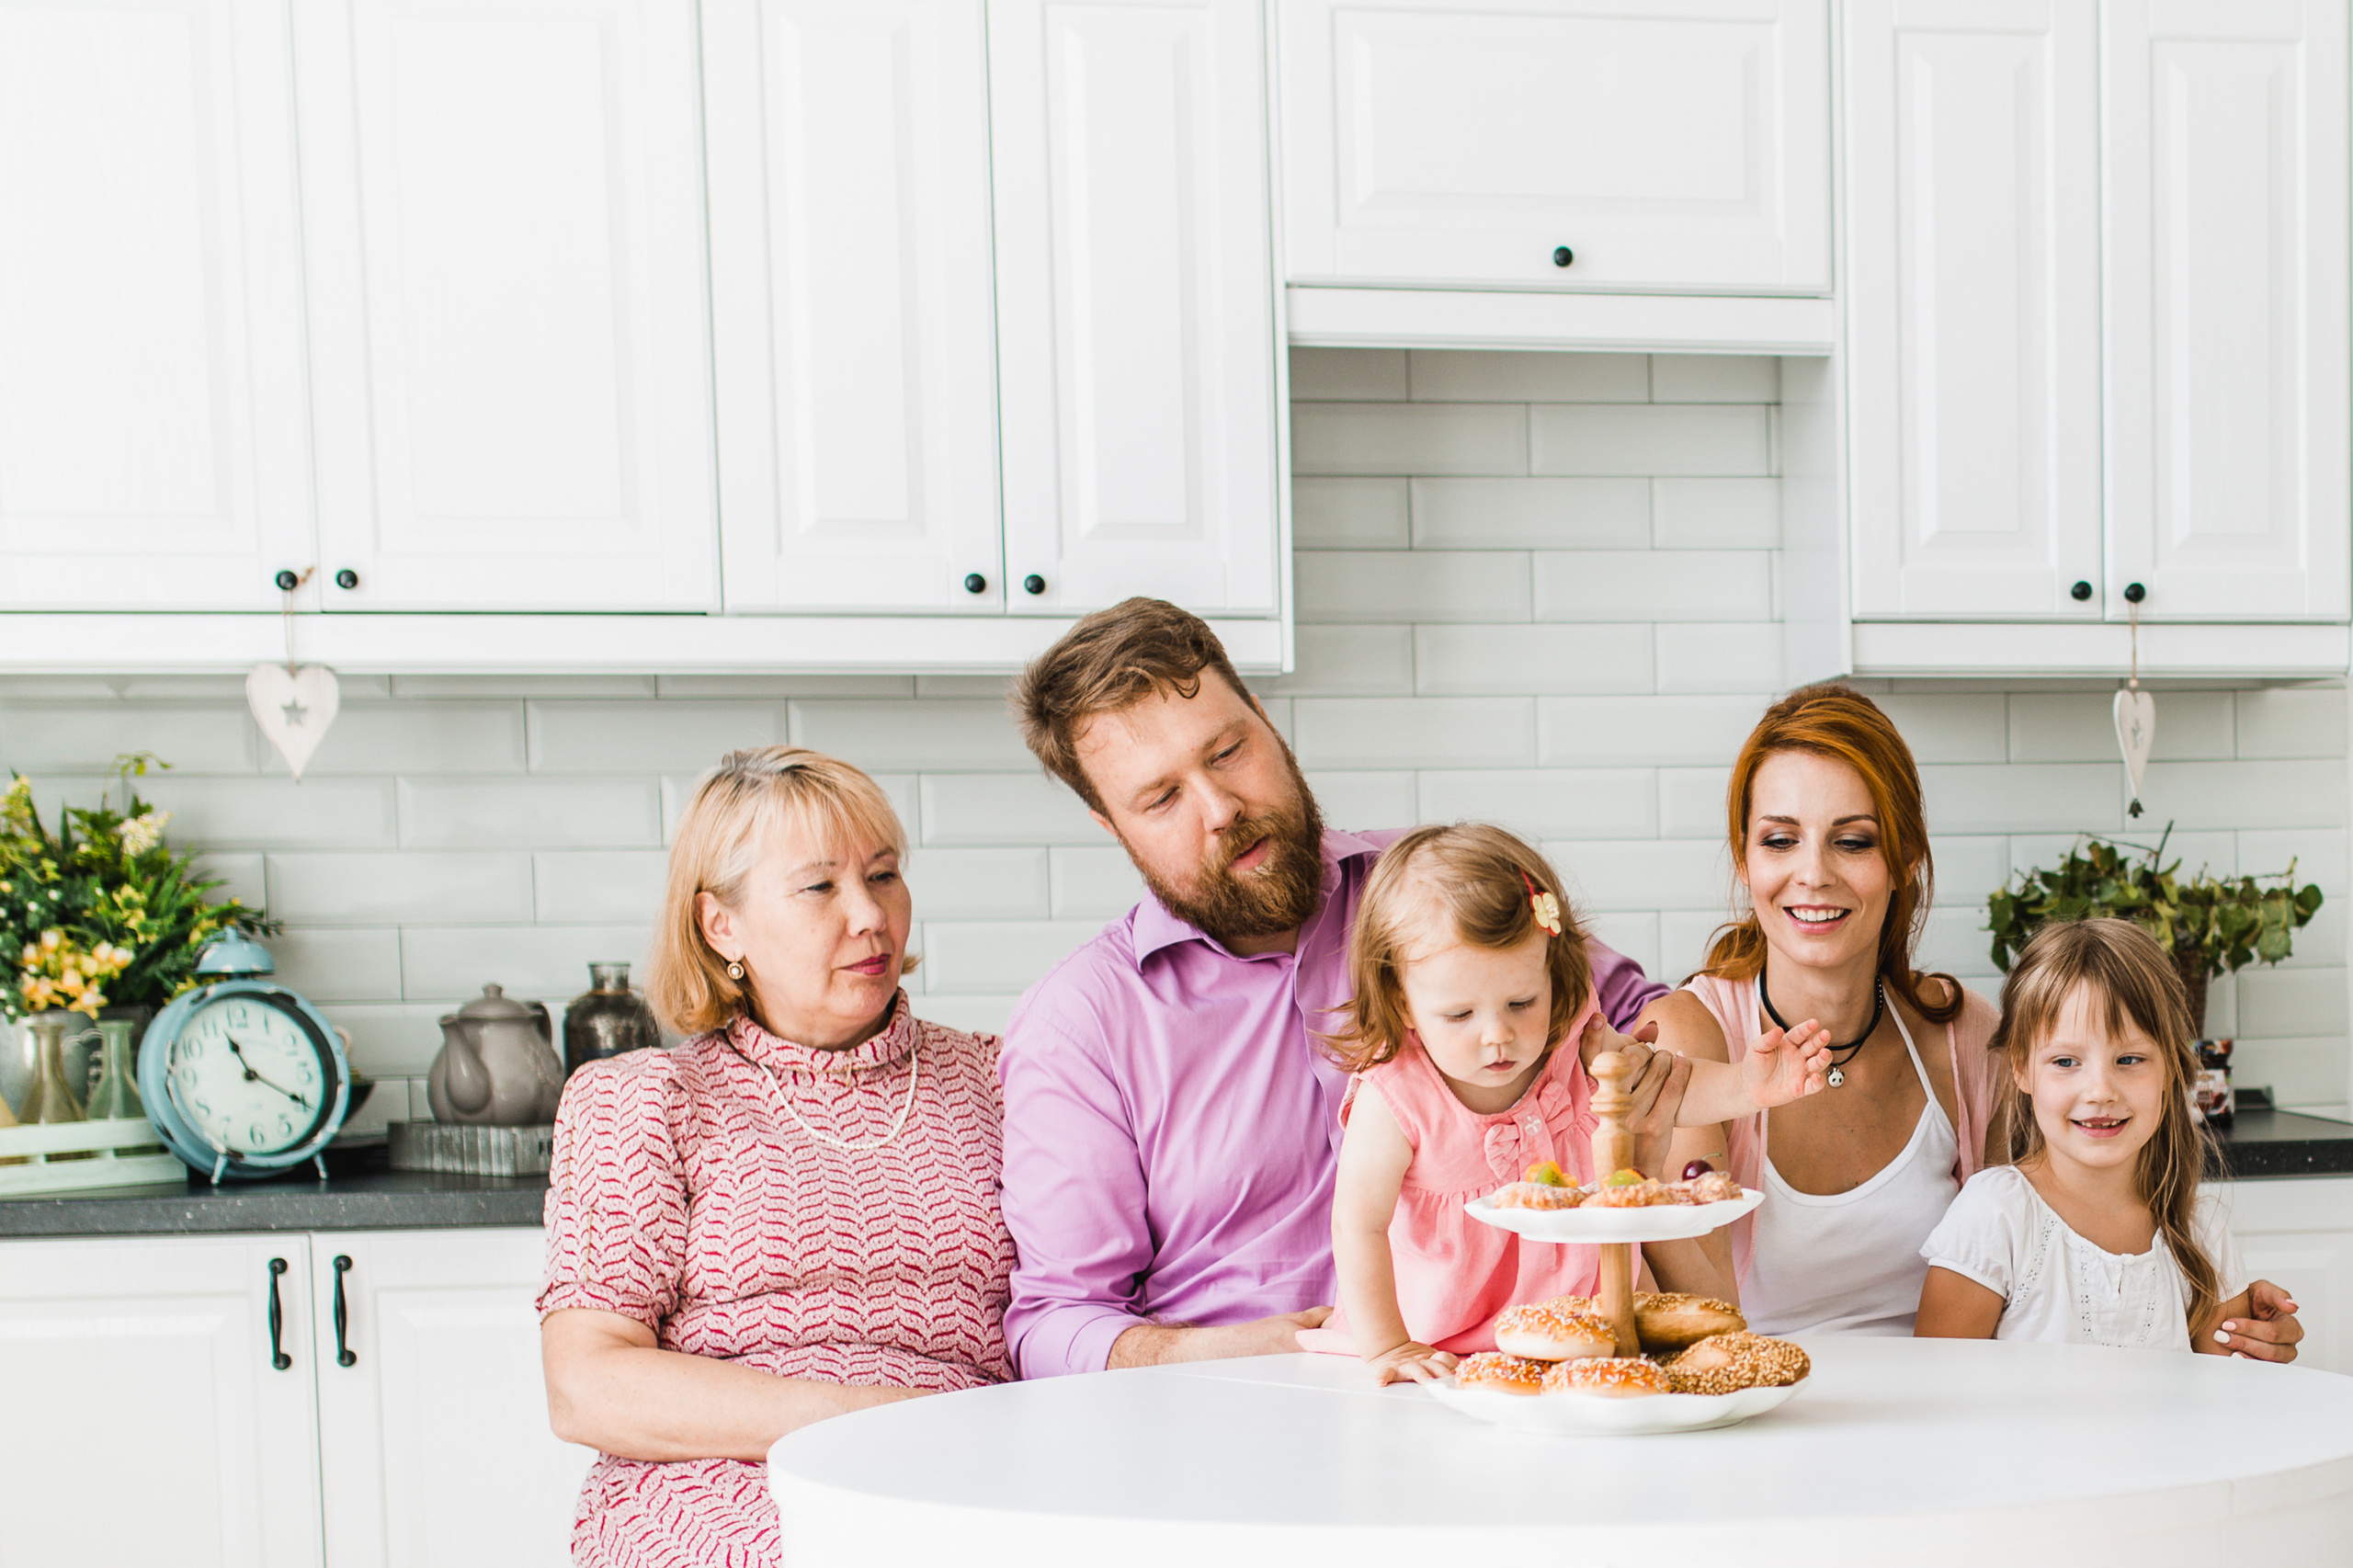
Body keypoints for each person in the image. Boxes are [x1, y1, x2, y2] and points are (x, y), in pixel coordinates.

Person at [999, 598, 1694, 1380]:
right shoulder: (1079, 1024)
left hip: (1510, 1380)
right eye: (1161, 799)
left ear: (1268, 721)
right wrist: (1225, 1350)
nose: (1221, 808)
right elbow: (1055, 1322)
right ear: (1110, 825)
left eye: (1229, 751)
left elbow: (1652, 1018)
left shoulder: (1436, 890)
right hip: (1248, 1404)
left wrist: (1655, 1105)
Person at [1647, 683, 2300, 1358]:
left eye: (1853, 841)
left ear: (1903, 859)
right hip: (1767, 1417)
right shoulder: (1695, 1040)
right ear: (1745, 858)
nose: (1812, 873)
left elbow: (2046, 1260)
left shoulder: (1960, 1036)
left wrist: (2214, 1329)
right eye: (1780, 840)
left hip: (1951, 1419)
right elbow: (1700, 1320)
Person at [538, 748, 1017, 1567]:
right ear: (722, 924)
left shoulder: (1001, 1077)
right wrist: (866, 1417)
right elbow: (588, 1384)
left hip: (970, 1472)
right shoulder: (644, 1098)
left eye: (885, 875)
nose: (870, 917)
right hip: (721, 1482)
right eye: (820, 887)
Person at [1314, 824, 1831, 1383]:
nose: (1498, 1035)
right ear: (1403, 1002)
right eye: (1460, 1015)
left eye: (1521, 1001)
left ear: (1552, 977)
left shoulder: (1575, 1040)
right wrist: (1391, 1347)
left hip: (1591, 1327)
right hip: (1442, 1346)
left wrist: (1748, 1086)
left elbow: (1664, 1086)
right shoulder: (1397, 1097)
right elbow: (1357, 1225)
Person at [1916, 918, 2258, 1350]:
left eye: (2130, 1059)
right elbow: (1936, 1392)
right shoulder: (1994, 1217)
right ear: (2021, 1067)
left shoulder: (2200, 1232)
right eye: (2065, 1062)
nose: (2100, 1091)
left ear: (2171, 1066)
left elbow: (2227, 1401)